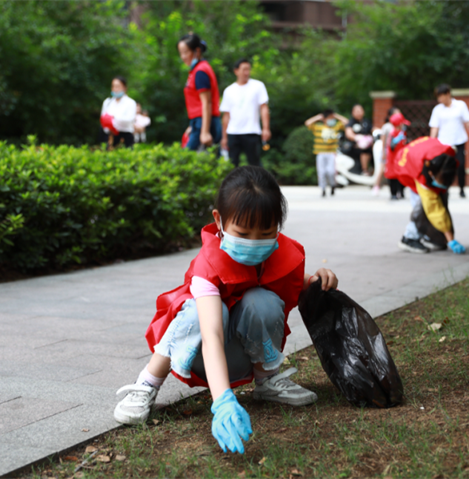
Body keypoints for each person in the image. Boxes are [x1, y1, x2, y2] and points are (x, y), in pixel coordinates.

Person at [113, 166, 338, 455]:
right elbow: (212, 335)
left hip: (245, 355)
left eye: (266, 233)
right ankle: (146, 384)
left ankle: (267, 381)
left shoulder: (279, 253)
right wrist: (223, 400)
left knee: (262, 300)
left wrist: (318, 280)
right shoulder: (208, 265)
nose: (254, 242)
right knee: (201, 311)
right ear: (219, 220)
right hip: (199, 355)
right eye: (243, 233)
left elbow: (288, 282)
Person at [391, 137, 466, 255]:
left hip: (421, 152)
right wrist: (451, 240)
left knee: (441, 198)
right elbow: (435, 210)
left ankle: (435, 238)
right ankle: (409, 237)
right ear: (431, 174)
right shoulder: (422, 175)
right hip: (407, 166)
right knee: (423, 207)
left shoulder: (447, 159)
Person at [219, 58, 271, 167]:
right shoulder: (229, 90)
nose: (247, 72)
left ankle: (258, 179)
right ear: (236, 71)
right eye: (244, 69)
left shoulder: (258, 86)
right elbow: (226, 115)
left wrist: (266, 128)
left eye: (248, 69)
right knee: (232, 165)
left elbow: (264, 108)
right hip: (233, 132)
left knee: (255, 164)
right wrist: (224, 137)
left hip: (251, 131)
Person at [178, 33, 222, 151]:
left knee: (187, 157)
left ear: (197, 51)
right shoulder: (196, 70)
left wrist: (205, 131)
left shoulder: (200, 71)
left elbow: (206, 102)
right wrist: (192, 126)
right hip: (199, 122)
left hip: (205, 122)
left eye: (185, 52)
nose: (183, 56)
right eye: (181, 53)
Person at [429, 84, 469, 198]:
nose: (439, 99)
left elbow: (468, 121)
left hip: (459, 141)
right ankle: (445, 188)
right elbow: (434, 127)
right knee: (444, 167)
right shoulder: (437, 110)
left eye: (441, 96)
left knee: (461, 165)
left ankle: (462, 188)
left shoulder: (460, 105)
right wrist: (431, 142)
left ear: (448, 94)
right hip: (444, 143)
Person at [305, 109, 349, 197]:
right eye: (330, 118)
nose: (332, 120)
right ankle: (323, 188)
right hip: (320, 153)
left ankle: (333, 185)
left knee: (331, 171)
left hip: (331, 153)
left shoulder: (335, 127)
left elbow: (347, 122)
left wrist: (336, 116)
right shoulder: (318, 127)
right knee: (321, 172)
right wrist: (318, 117)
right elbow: (307, 123)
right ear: (324, 119)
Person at [100, 76, 137, 149]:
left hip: (125, 135)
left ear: (124, 88)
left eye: (117, 86)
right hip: (110, 135)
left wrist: (113, 117)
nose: (115, 89)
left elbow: (130, 119)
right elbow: (103, 118)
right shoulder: (107, 102)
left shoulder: (130, 102)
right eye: (113, 86)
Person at [383, 110, 411, 200]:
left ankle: (401, 192)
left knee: (402, 176)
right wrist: (396, 140)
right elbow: (391, 146)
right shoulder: (393, 133)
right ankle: (393, 193)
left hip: (401, 158)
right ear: (399, 124)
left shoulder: (403, 133)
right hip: (393, 159)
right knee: (393, 177)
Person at [345, 104, 374, 175]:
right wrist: (357, 138)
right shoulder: (351, 122)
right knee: (365, 150)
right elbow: (348, 133)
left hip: (368, 145)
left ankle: (373, 170)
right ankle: (365, 170)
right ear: (353, 112)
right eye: (357, 111)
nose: (359, 113)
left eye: (360, 111)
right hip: (354, 146)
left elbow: (372, 129)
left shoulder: (366, 121)